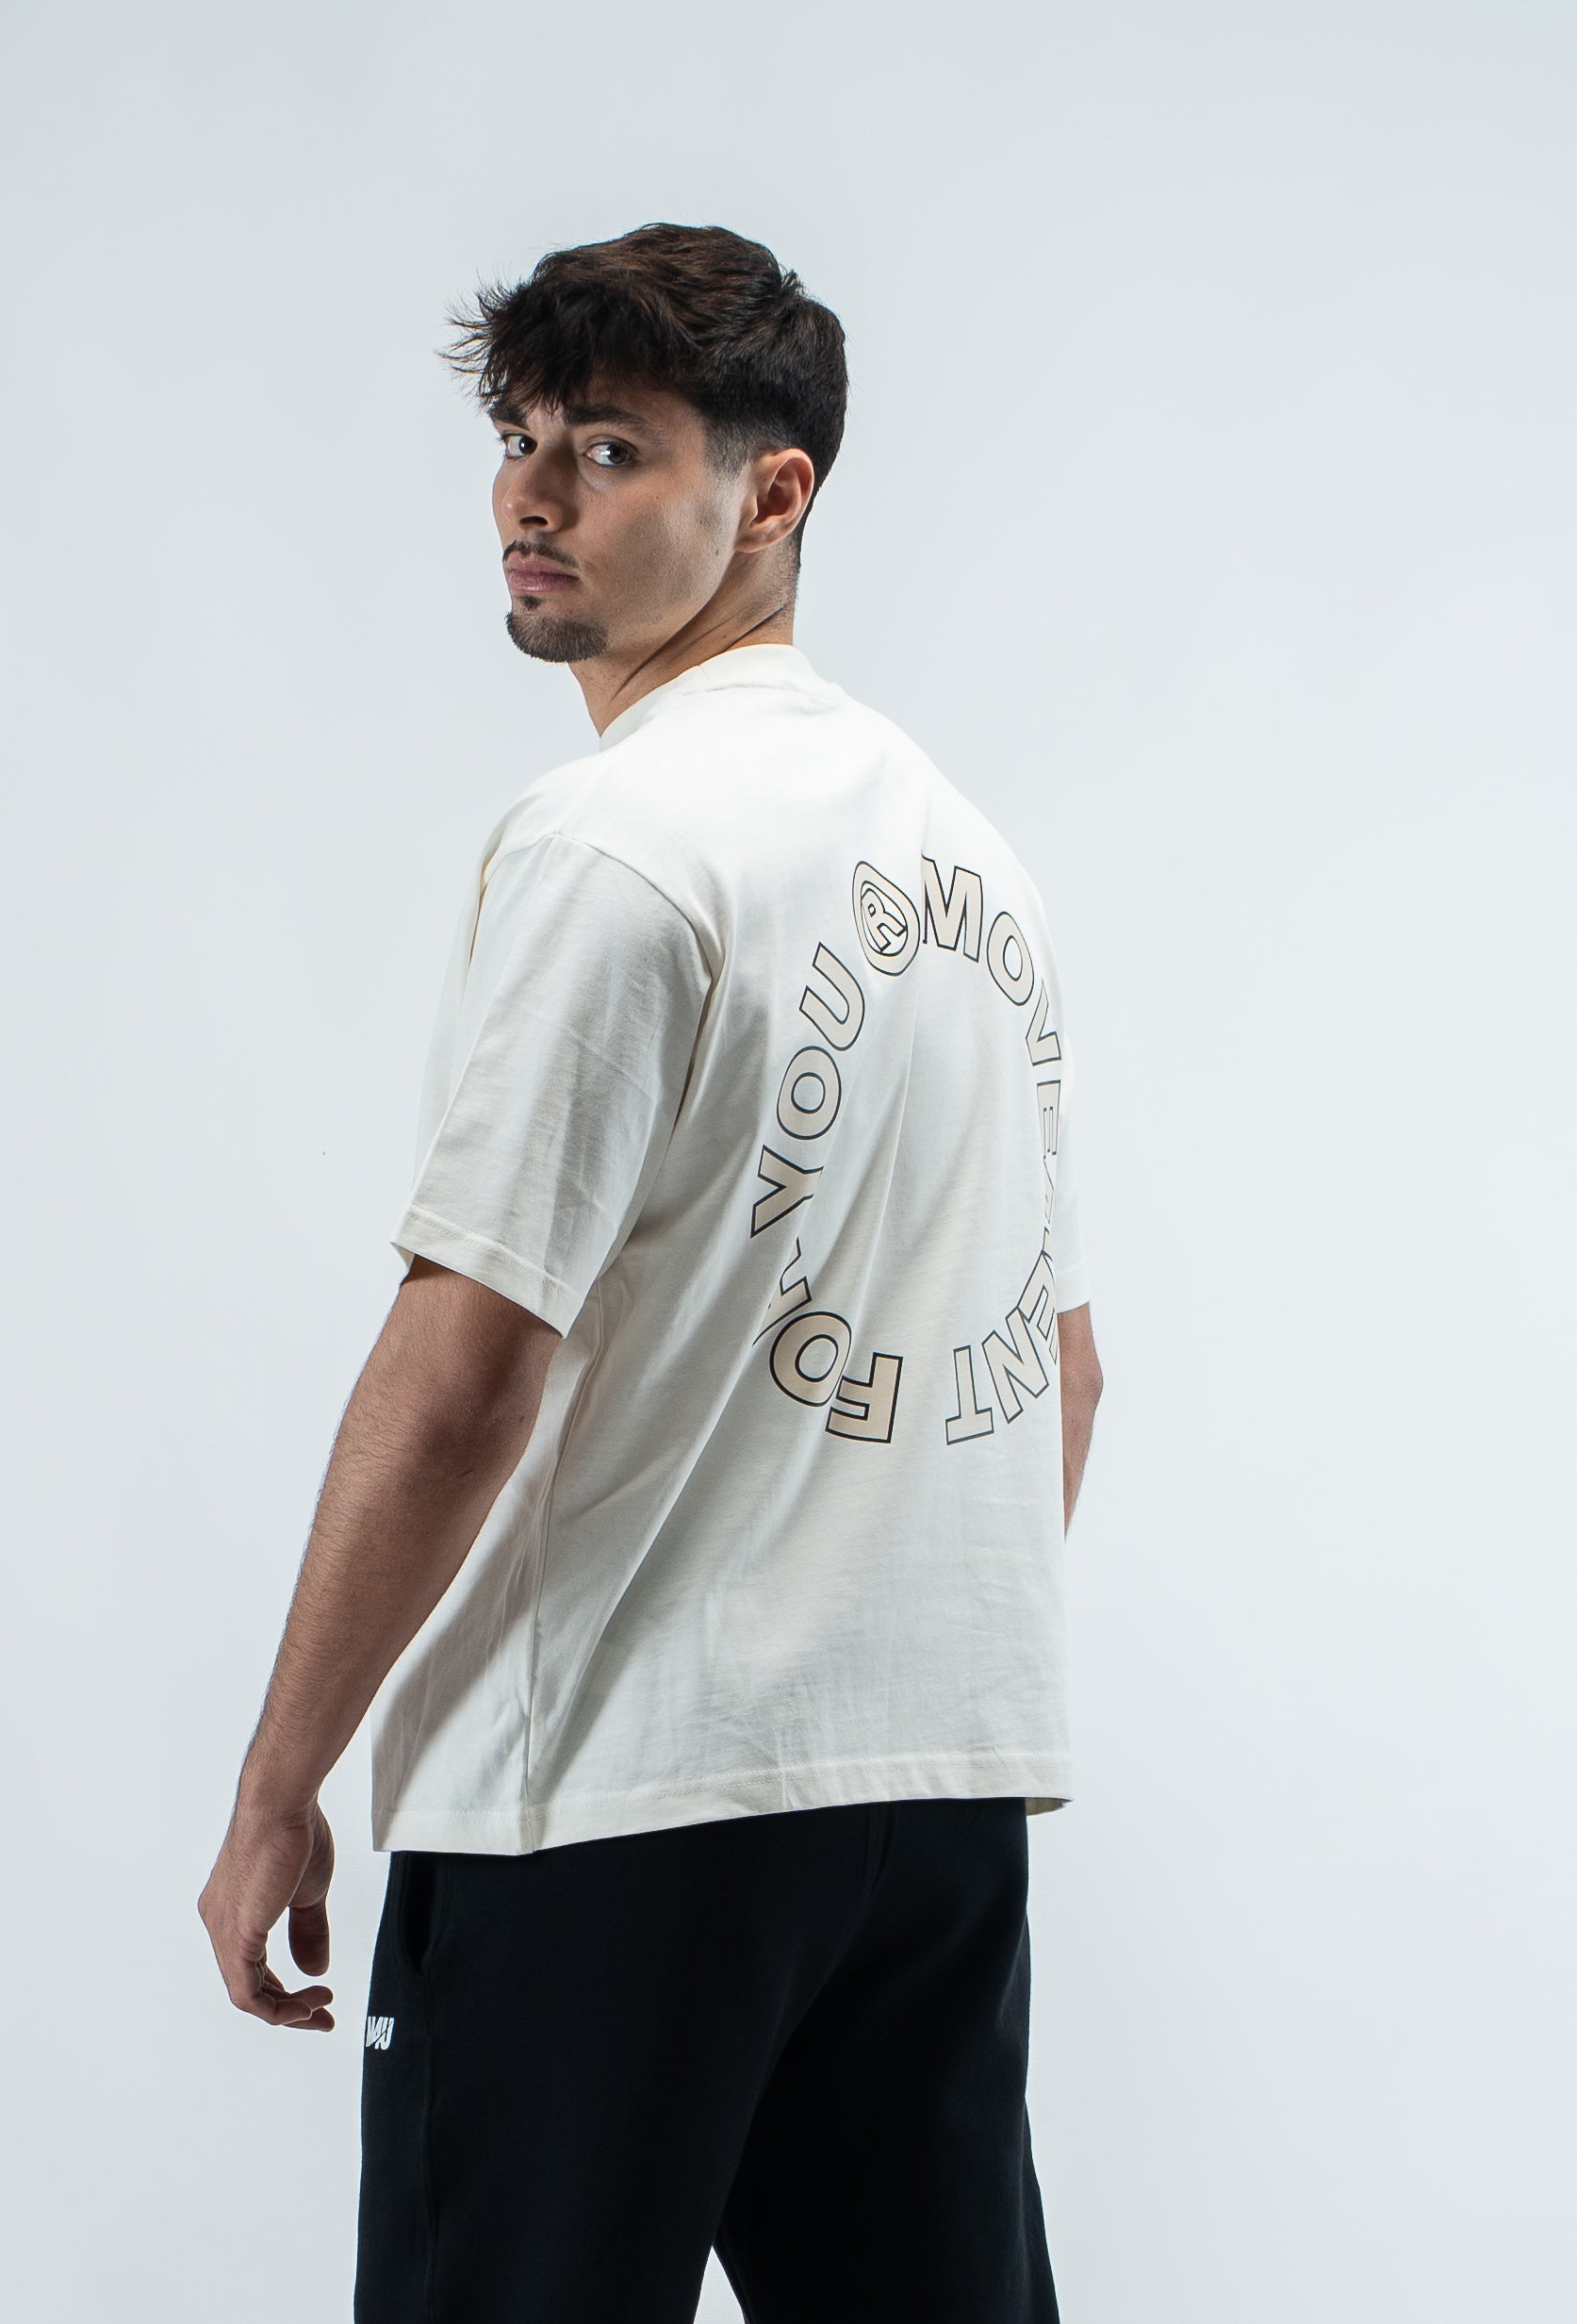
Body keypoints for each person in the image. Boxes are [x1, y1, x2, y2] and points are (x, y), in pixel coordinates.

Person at [198, 221, 1106, 2323]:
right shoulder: (976, 868)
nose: (532, 496)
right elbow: (1060, 1374)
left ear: (772, 494)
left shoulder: (616, 844)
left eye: (608, 448)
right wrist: (865, 1648)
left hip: (605, 1807)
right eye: (520, 439)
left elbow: (465, 1369)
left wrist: (276, 1788)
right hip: (930, 1807)